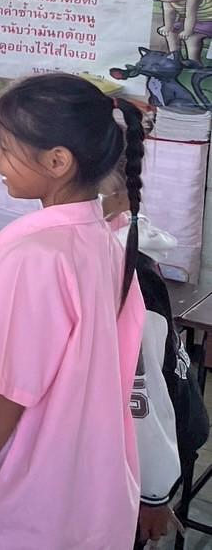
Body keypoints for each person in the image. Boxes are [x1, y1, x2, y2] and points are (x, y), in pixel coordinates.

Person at [0, 74, 147, 547]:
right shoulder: (106, 238)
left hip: (33, 490)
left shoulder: (35, 255)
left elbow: (13, 388)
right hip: (90, 482)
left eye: (5, 147)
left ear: (57, 161)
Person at [102, 157, 208, 548]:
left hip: (153, 445)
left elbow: (143, 392)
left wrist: (154, 492)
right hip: (138, 440)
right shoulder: (112, 245)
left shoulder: (127, 270)